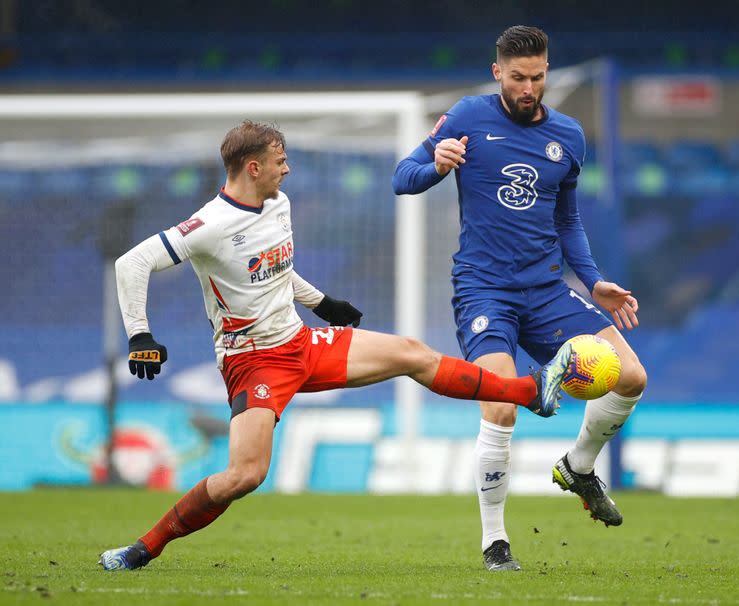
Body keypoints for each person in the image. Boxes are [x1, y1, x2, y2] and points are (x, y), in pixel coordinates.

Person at [99, 120, 575, 571]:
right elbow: (132, 264)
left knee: (411, 352)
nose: (287, 169)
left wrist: (321, 303)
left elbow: (275, 269)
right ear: (253, 168)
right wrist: (140, 334)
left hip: (301, 343)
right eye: (280, 161)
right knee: (245, 475)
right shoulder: (209, 225)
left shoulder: (277, 204)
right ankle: (142, 549)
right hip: (254, 362)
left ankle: (529, 392)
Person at [393, 25, 647, 571]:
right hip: (484, 288)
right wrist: (436, 167)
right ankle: (495, 543)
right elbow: (401, 177)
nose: (528, 88)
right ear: (497, 72)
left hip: (547, 289)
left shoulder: (570, 137)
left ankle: (578, 468)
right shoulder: (465, 117)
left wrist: (594, 280)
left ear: (546, 71)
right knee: (501, 404)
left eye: (536, 77)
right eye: (517, 78)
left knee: (632, 377)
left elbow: (568, 219)